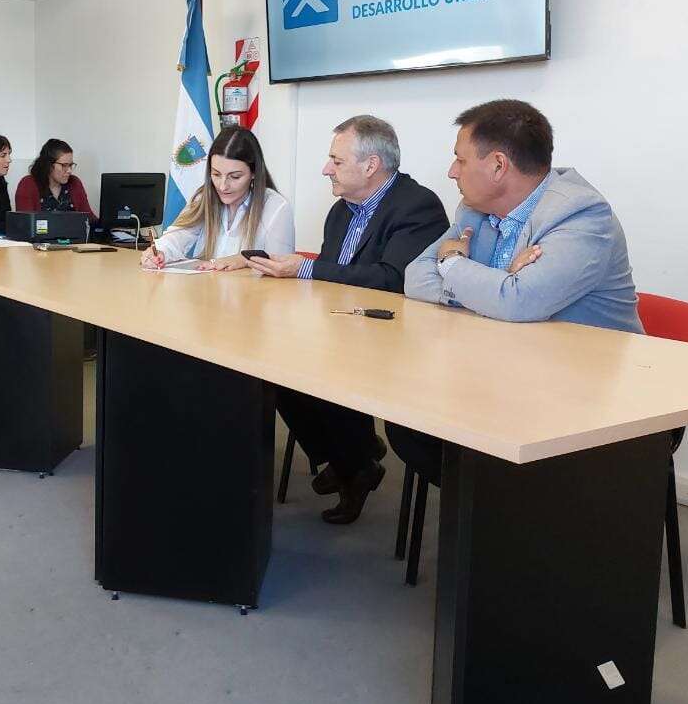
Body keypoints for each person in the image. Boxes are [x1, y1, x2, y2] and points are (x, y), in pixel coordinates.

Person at [392, 99, 644, 489]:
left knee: (458, 435)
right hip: (509, 375)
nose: (451, 171)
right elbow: (415, 277)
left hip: (589, 396)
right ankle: (488, 513)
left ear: (498, 165)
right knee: (408, 422)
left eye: (460, 160)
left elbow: (517, 301)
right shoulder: (474, 210)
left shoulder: (581, 214)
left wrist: (456, 266)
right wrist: (498, 285)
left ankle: (502, 513)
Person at [247, 115, 449, 524]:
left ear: (371, 165)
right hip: (340, 328)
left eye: (336, 161)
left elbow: (393, 280)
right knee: (277, 370)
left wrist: (302, 268)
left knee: (325, 373)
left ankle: (354, 464)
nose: (326, 169)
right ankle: (353, 460)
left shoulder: (417, 206)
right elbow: (332, 281)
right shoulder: (341, 211)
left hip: (396, 339)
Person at [141, 126, 293, 271]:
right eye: (216, 174)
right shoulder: (204, 197)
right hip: (206, 288)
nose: (222, 186)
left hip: (252, 290)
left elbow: (281, 267)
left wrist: (245, 260)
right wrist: (160, 251)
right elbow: (178, 235)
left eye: (235, 177)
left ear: (254, 173)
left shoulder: (276, 208)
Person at [15, 138, 95, 218]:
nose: (69, 171)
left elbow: (89, 218)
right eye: (64, 165)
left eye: (70, 165)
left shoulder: (75, 182)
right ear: (49, 165)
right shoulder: (28, 184)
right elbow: (25, 222)